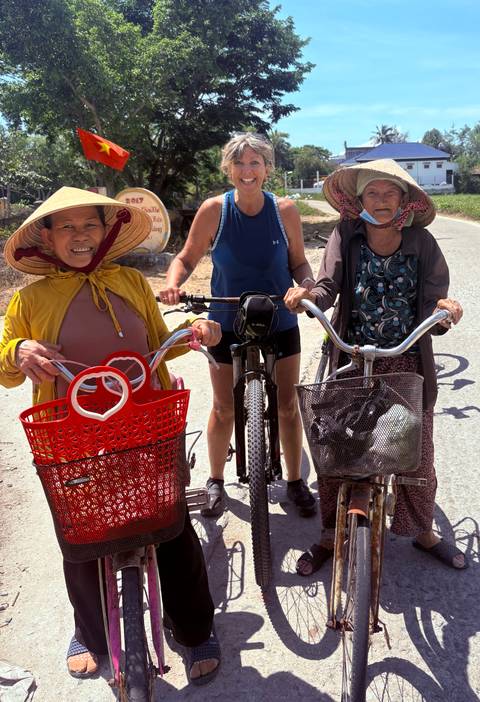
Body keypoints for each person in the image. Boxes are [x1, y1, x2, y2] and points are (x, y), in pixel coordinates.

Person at [0, 187, 223, 683]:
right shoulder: (30, 298)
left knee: (171, 528)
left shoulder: (130, 281)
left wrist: (194, 329)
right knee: (80, 537)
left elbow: (157, 341)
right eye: (67, 228)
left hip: (145, 422)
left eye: (90, 226)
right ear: (47, 238)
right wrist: (18, 352)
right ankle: (90, 632)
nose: (80, 237)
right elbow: (7, 368)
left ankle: (193, 627)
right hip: (71, 435)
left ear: (107, 232)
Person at [284, 158, 468, 573]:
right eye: (372, 193)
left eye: (389, 193)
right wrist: (307, 294)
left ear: (404, 200)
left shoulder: (422, 242)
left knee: (416, 452)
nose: (381, 201)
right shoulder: (345, 235)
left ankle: (422, 530)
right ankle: (331, 534)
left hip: (404, 359)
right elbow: (327, 285)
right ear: (359, 199)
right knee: (337, 447)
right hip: (351, 356)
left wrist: (443, 311)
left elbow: (433, 300)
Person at [160, 132, 316, 518]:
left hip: (279, 316)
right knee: (224, 408)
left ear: (267, 168)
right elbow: (187, 257)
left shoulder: (285, 211)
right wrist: (172, 285)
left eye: (255, 163)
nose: (247, 171)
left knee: (287, 406)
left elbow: (298, 262)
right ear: (228, 168)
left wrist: (307, 285)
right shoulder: (215, 209)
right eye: (239, 163)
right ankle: (215, 479)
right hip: (226, 319)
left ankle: (295, 480)